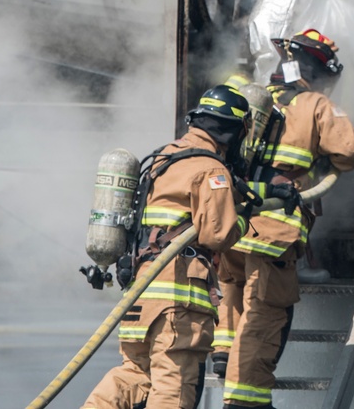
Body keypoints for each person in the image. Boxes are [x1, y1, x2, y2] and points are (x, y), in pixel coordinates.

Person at [214, 28, 354, 409]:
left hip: (234, 221)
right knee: (264, 316)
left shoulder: (253, 101)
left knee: (234, 291)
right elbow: (350, 150)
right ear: (319, 72)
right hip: (273, 230)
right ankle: (245, 400)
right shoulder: (314, 104)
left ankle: (222, 353)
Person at [81, 84, 254, 409]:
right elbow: (218, 234)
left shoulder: (164, 158)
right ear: (233, 133)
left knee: (134, 375)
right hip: (177, 306)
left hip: (138, 301)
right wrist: (244, 218)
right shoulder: (211, 170)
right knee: (172, 393)